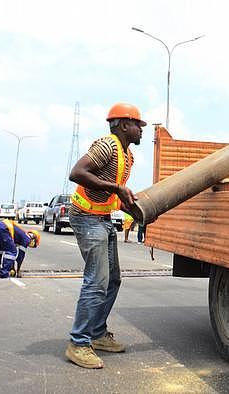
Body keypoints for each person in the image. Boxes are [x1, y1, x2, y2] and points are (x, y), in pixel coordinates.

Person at [65, 102, 144, 369]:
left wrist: (136, 209)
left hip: (102, 218)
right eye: (138, 125)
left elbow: (112, 194)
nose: (141, 130)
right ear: (124, 125)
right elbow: (77, 173)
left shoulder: (127, 156)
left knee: (113, 281)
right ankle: (79, 343)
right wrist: (117, 188)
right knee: (96, 281)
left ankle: (97, 334)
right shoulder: (107, 146)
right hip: (86, 218)